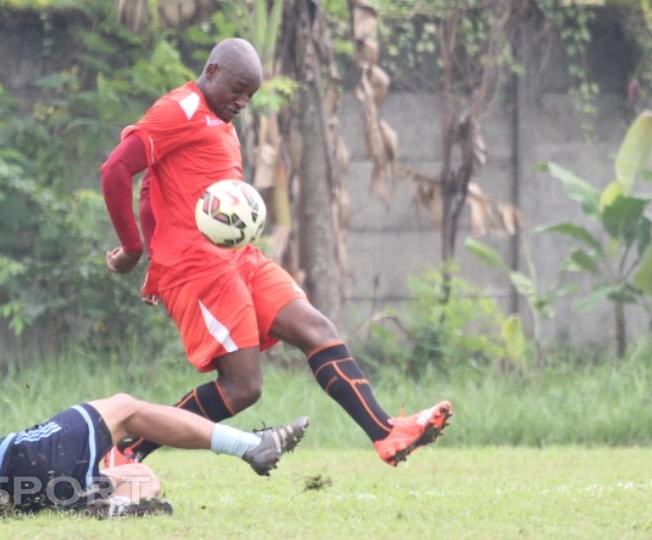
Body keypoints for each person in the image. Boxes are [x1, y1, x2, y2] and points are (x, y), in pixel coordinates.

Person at [98, 37, 452, 469]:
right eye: (237, 89)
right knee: (242, 387)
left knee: (316, 328)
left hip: (240, 258)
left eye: (251, 95)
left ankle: (386, 433)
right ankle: (127, 452)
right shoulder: (179, 110)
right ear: (211, 73)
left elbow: (154, 189)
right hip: (199, 270)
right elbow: (116, 168)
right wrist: (136, 250)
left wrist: (151, 251)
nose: (243, 101)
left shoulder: (220, 119)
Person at [0, 310, 308, 519]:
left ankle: (103, 507)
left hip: (5, 497)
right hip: (12, 463)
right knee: (126, 407)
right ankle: (252, 446)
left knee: (139, 478)